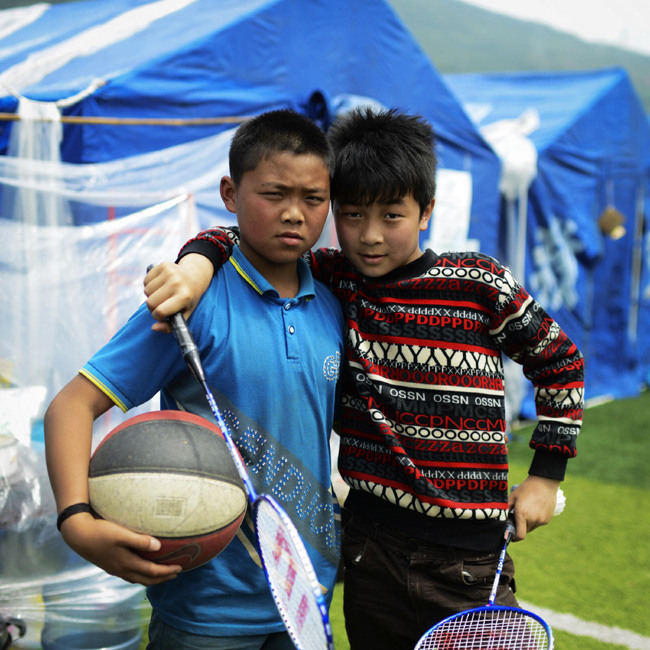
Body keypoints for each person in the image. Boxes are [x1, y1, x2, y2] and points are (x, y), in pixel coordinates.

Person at [146, 108, 585, 650]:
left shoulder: (480, 284)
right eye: (352, 215)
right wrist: (194, 267)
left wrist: (545, 476)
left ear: (426, 210)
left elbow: (561, 362)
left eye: (392, 216)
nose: (370, 237)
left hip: (468, 560)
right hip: (368, 548)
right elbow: (235, 236)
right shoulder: (337, 278)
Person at [44, 109, 345, 650]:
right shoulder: (190, 300)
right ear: (230, 193)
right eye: (274, 194)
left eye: (313, 199)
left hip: (305, 595)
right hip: (205, 607)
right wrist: (77, 521)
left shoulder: (335, 301)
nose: (294, 214)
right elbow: (70, 407)